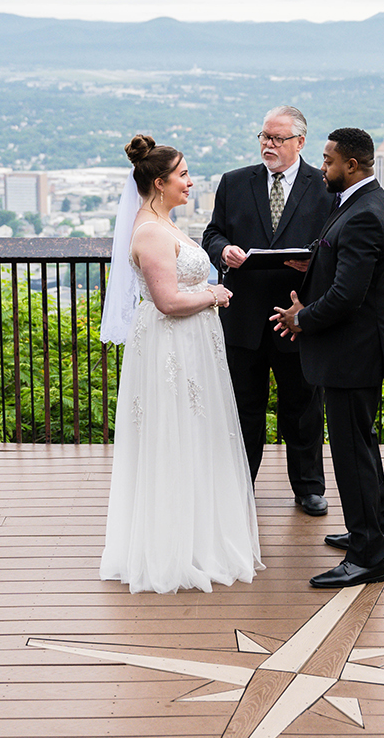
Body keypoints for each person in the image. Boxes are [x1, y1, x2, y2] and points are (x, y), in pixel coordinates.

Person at [98, 134, 262, 594]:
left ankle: (197, 536)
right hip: (171, 348)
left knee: (195, 435)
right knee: (174, 434)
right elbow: (167, 301)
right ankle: (172, 547)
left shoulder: (165, 224)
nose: (190, 182)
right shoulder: (150, 231)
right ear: (158, 181)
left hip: (191, 347)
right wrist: (215, 293)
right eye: (183, 175)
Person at [271, 127, 384, 589]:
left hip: (354, 355)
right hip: (353, 353)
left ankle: (367, 556)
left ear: (353, 165)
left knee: (351, 454)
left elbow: (348, 295)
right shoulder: (363, 201)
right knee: (358, 448)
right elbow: (341, 259)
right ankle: (371, 534)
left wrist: (301, 319)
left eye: (328, 161)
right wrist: (315, 261)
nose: (322, 168)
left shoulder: (364, 213)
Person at [202, 105, 336, 517]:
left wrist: (313, 261)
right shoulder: (234, 182)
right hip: (243, 318)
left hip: (298, 316)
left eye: (277, 139)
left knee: (304, 408)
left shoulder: (325, 187)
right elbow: (212, 233)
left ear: (300, 142)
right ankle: (241, 486)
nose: (268, 145)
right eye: (263, 137)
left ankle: (309, 488)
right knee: (243, 408)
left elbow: (335, 246)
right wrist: (222, 251)